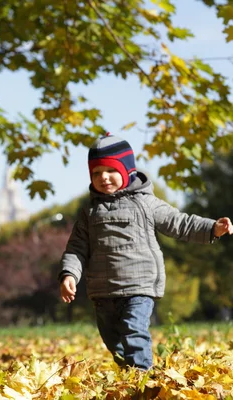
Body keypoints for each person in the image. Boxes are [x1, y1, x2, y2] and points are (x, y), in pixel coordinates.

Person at [58, 133, 233, 371]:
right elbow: (76, 248)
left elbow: (179, 222)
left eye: (110, 170)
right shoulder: (89, 212)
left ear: (127, 170)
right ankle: (128, 374)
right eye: (96, 173)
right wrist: (69, 274)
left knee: (134, 330)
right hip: (103, 291)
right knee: (112, 340)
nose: (103, 178)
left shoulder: (145, 203)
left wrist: (212, 228)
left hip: (139, 286)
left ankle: (143, 377)